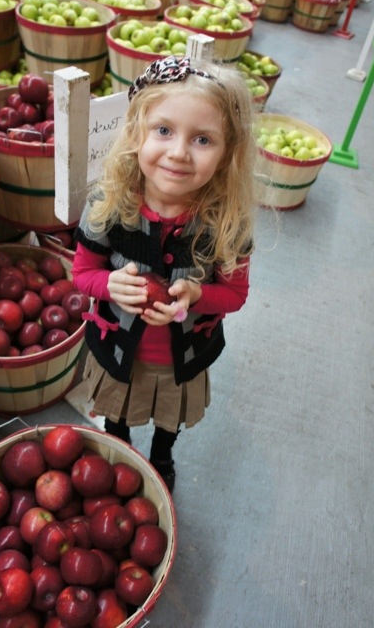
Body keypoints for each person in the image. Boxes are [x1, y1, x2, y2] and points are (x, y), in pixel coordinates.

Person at [71, 55, 257, 492]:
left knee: (169, 416)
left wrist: (198, 294)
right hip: (121, 349)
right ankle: (119, 447)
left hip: (181, 357)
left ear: (227, 154)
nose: (178, 152)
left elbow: (235, 295)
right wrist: (109, 284)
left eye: (203, 139)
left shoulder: (226, 225)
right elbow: (83, 273)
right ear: (136, 131)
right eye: (163, 130)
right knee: (117, 409)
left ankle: (161, 455)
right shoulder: (107, 204)